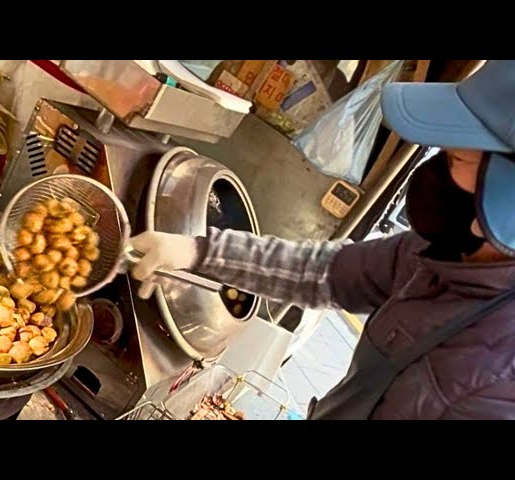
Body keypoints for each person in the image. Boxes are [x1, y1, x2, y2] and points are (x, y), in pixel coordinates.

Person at [129, 60, 515, 420]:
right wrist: (198, 251)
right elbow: (324, 271)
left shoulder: (499, 382)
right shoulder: (430, 257)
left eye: (454, 161)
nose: (434, 174)